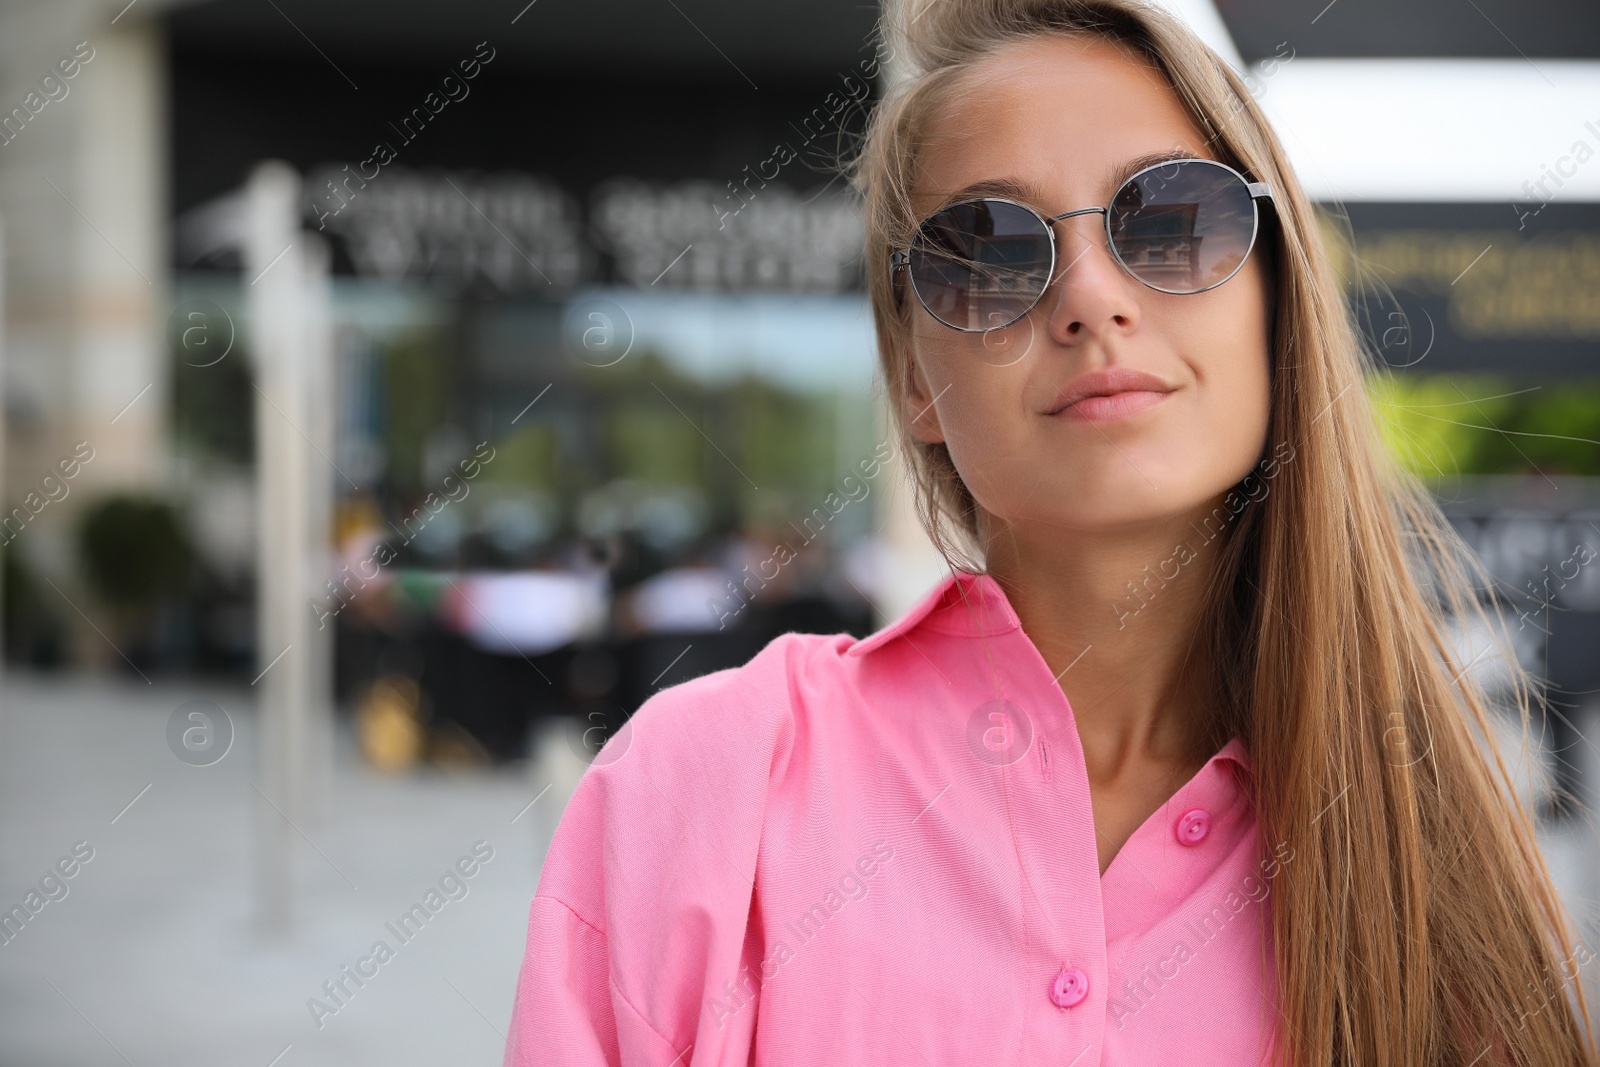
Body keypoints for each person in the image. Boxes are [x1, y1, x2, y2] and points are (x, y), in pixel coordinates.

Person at [502, 1, 1599, 1064]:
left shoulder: (1429, 853)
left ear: (1276, 296)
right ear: (916, 378)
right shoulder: (700, 786)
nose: (1088, 297)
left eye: (1171, 218)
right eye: (986, 253)